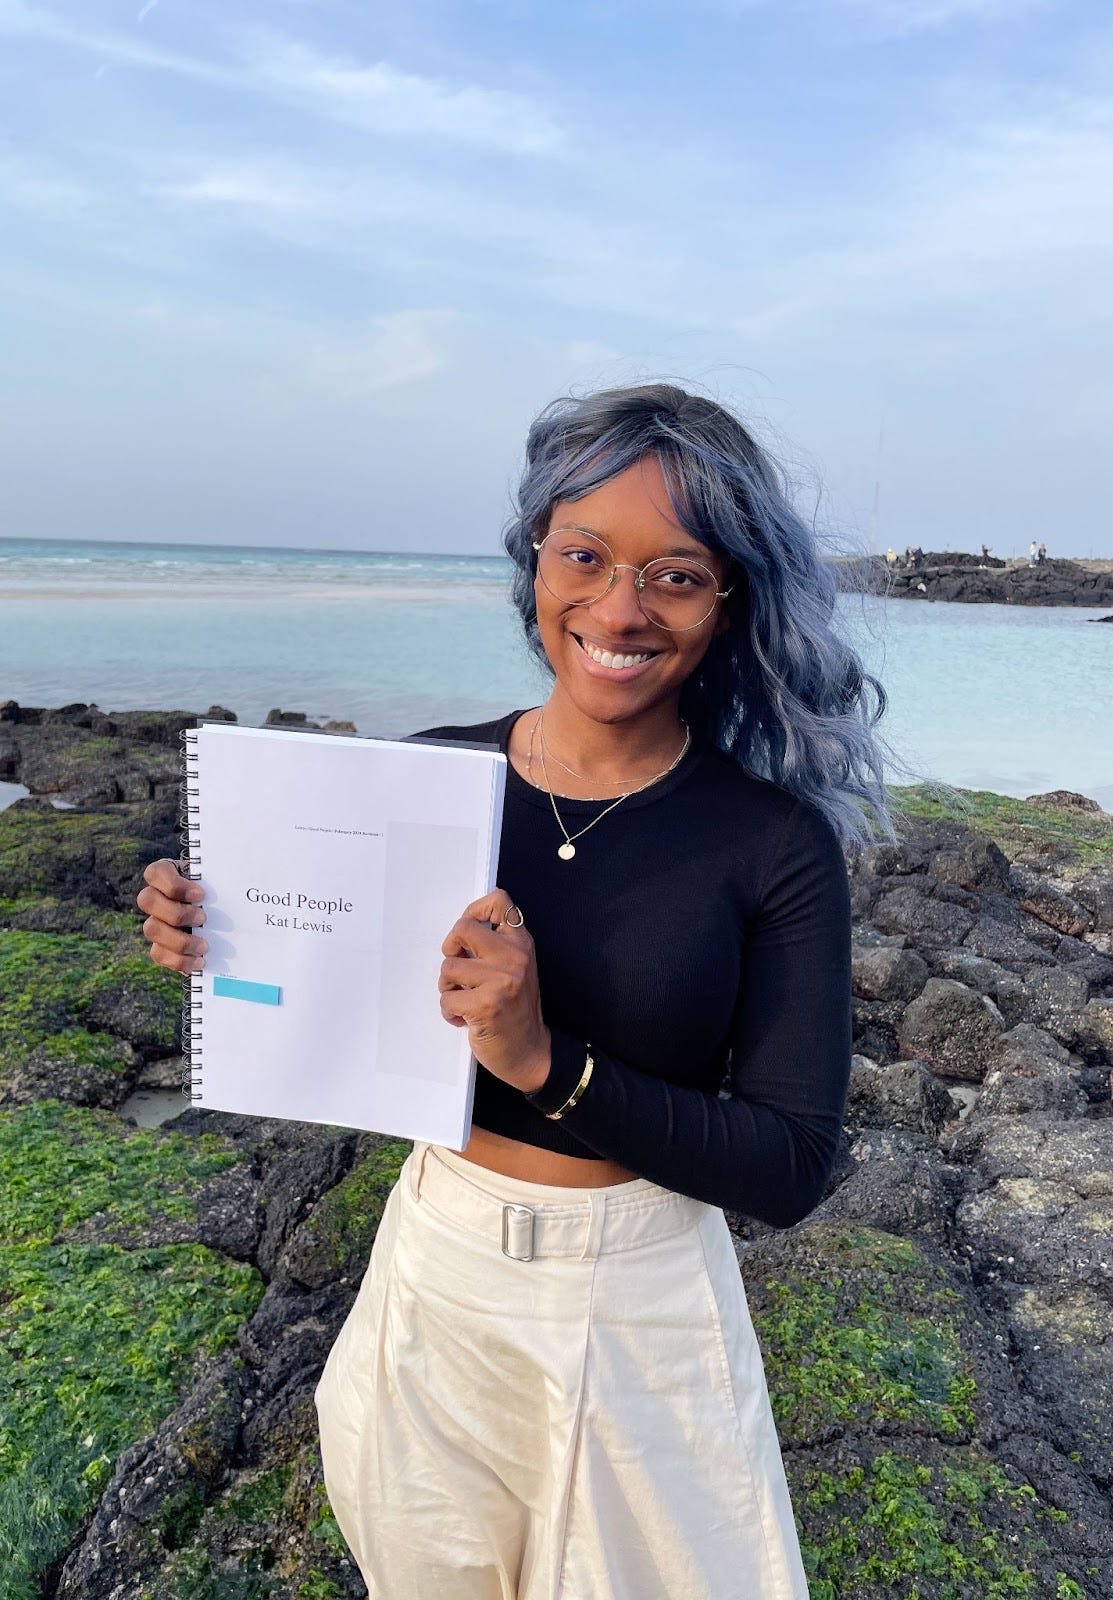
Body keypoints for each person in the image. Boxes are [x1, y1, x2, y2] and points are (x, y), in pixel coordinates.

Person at [136, 383, 891, 1600]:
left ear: (730, 600)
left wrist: (548, 1060)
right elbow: (309, 992)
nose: (620, 608)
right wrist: (208, 933)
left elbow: (792, 1165)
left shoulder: (771, 843)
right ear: (535, 558)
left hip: (642, 1297)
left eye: (677, 574)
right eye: (584, 554)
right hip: (436, 1269)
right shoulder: (424, 782)